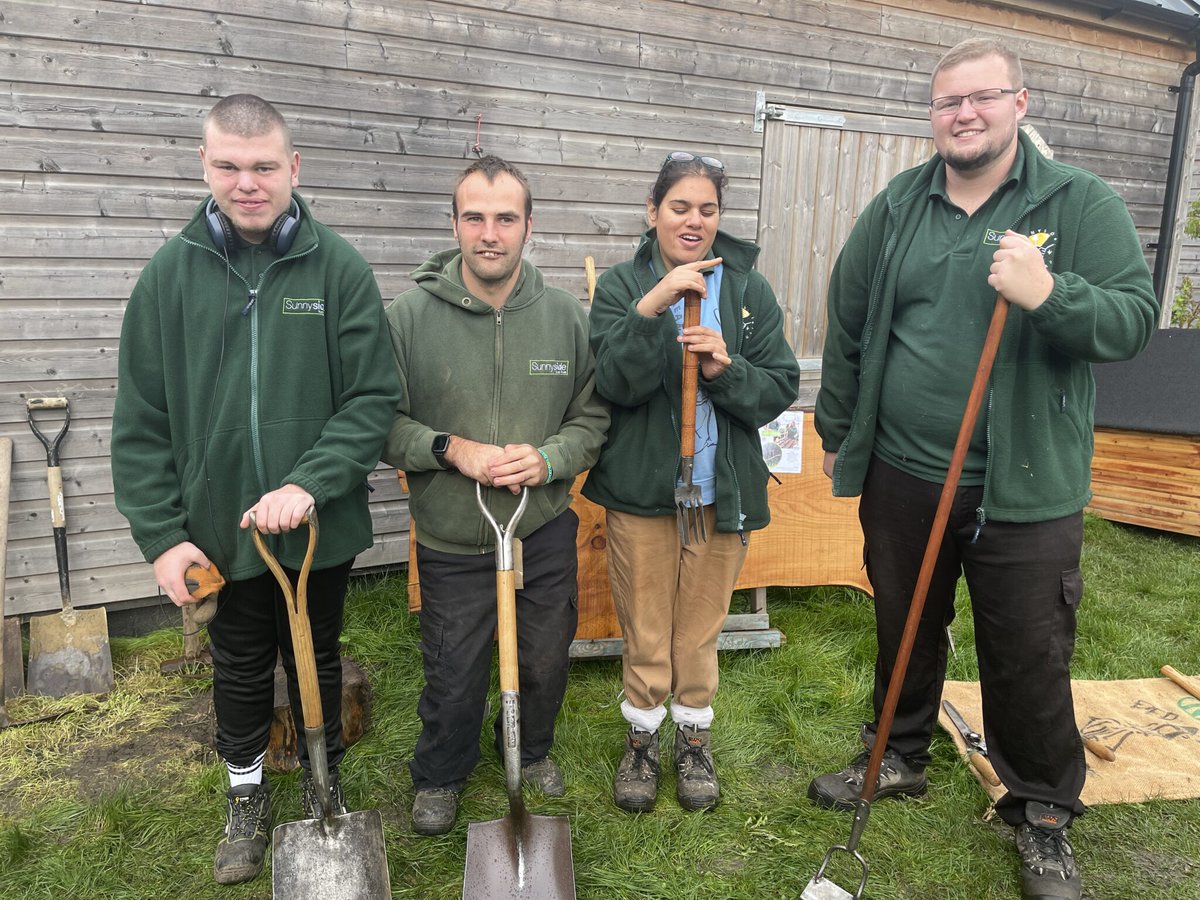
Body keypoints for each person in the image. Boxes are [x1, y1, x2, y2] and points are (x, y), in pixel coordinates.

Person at [811, 38, 1158, 900]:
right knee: (904, 620)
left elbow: (1132, 322)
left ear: (1020, 104)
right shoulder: (899, 205)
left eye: (983, 97)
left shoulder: (1076, 203)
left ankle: (1040, 807)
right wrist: (839, 423)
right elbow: (849, 320)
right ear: (933, 116)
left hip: (1025, 484)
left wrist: (1051, 294)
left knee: (1028, 648)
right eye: (946, 102)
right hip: (906, 471)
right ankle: (897, 752)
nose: (964, 114)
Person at [111, 94, 401, 885]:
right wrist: (163, 536)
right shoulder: (168, 277)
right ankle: (246, 794)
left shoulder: (335, 268)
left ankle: (320, 774)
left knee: (321, 655)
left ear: (293, 168)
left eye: (264, 166)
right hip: (217, 527)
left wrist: (310, 481)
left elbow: (373, 397)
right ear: (204, 165)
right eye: (230, 166)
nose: (248, 183)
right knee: (238, 665)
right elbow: (140, 422)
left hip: (317, 526)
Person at [381, 155, 609, 836]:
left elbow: (592, 418)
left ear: (528, 226)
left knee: (544, 653)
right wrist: (452, 449)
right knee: (452, 670)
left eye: (505, 218)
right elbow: (381, 424)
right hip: (455, 532)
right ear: (454, 224)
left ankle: (531, 750)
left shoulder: (568, 318)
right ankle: (442, 772)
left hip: (540, 527)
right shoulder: (409, 318)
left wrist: (549, 459)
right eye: (474, 217)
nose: (489, 233)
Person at [583, 153, 800, 813]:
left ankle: (694, 740)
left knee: (699, 630)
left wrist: (725, 372)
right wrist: (653, 308)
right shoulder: (622, 286)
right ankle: (644, 742)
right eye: (680, 207)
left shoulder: (748, 291)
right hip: (643, 494)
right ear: (653, 213)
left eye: (707, 209)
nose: (694, 220)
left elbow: (779, 387)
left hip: (719, 494)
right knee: (646, 626)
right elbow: (613, 383)